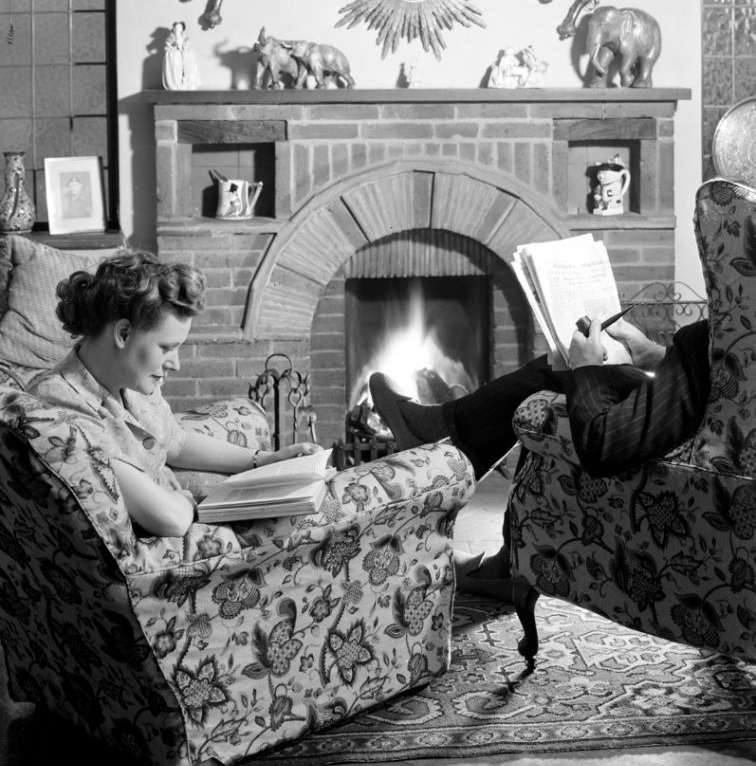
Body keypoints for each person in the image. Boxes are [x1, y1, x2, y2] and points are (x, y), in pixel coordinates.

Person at [369, 313, 710, 599]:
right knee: (554, 368)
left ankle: (443, 436)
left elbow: (605, 444)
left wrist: (586, 369)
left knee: (556, 384)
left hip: (686, 433)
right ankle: (508, 557)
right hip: (694, 388)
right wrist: (655, 354)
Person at [28, 251, 320, 538]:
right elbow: (169, 520)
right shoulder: (62, 412)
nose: (176, 364)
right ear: (123, 334)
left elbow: (176, 443)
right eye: (166, 348)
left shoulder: (129, 379)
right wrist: (186, 497)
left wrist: (266, 459)